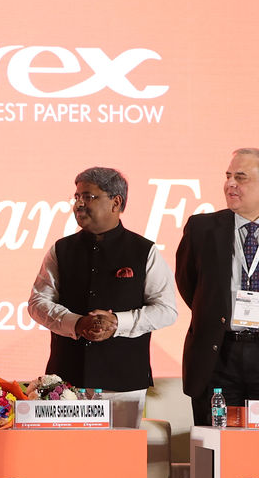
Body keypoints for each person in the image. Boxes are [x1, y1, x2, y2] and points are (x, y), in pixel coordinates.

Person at [28, 167, 177, 428]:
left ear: (116, 202)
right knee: (66, 461)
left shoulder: (145, 251)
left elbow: (166, 309)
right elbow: (37, 303)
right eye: (76, 197)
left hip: (124, 384)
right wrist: (76, 323)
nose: (79, 204)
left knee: (119, 462)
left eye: (88, 197)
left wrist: (118, 322)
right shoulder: (61, 250)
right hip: (66, 384)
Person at [176, 148, 259, 425]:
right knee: (217, 446)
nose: (230, 184)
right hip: (218, 353)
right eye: (228, 176)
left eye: (241, 177)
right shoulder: (202, 228)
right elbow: (189, 284)